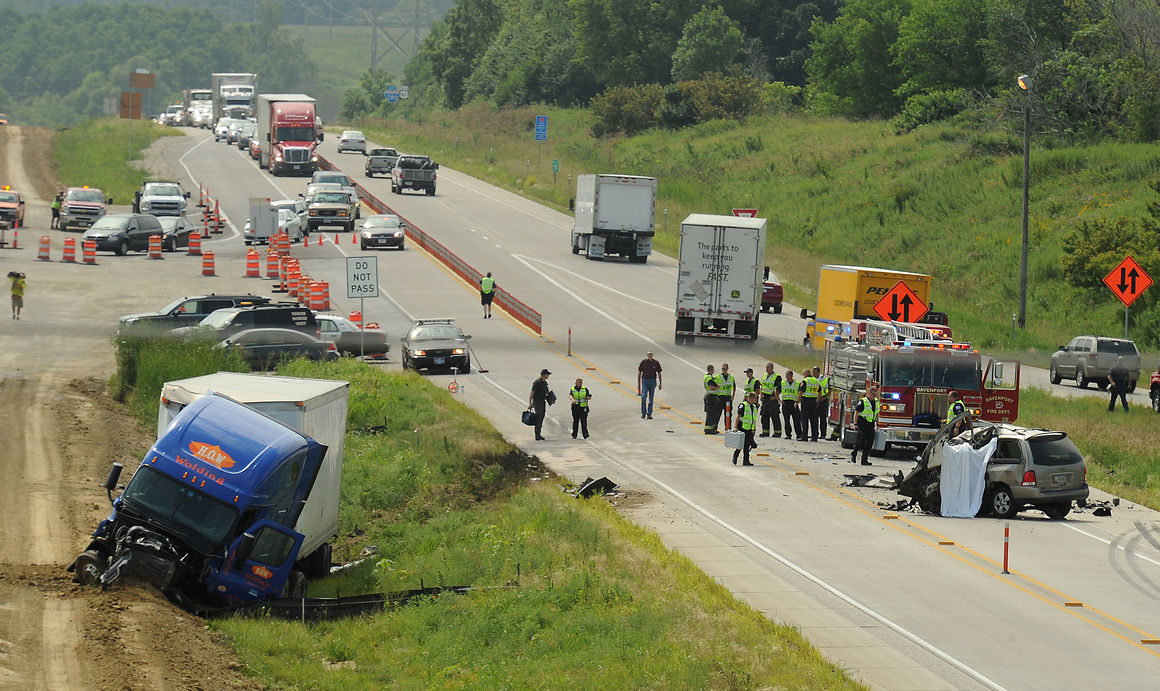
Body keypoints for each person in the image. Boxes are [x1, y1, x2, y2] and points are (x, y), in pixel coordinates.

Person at [852, 387, 879, 466]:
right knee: (860, 441)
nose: (874, 396)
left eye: (875, 394)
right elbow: (856, 413)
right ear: (869, 393)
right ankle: (854, 453)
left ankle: (864, 459)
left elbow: (876, 414)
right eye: (873, 394)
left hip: (870, 423)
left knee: (869, 442)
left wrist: (877, 424)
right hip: (862, 422)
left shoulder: (876, 401)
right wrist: (855, 424)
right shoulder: (863, 401)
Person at [732, 391, 760, 466]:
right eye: (755, 398)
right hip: (742, 428)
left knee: (747, 446)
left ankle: (746, 461)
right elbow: (738, 417)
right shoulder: (743, 405)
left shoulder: (754, 407)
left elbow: (753, 419)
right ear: (751, 398)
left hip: (749, 429)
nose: (756, 400)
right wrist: (735, 426)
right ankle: (735, 456)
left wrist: (754, 429)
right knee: (740, 445)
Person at [759, 362, 782, 438]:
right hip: (765, 399)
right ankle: (765, 432)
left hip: (772, 399)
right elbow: (762, 385)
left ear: (772, 368)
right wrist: (761, 394)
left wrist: (775, 397)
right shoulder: (765, 376)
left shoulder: (777, 377)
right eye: (766, 368)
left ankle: (777, 432)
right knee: (764, 416)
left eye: (768, 368)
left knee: (774, 416)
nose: (766, 369)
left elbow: (779, 388)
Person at [637, 350, 663, 419]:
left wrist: (660, 383)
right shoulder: (643, 362)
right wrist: (638, 383)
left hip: (653, 381)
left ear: (653, 355)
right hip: (645, 381)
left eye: (651, 354)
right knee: (643, 396)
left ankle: (649, 414)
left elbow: (659, 373)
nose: (650, 356)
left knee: (651, 399)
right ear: (647, 355)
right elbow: (639, 372)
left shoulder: (656, 363)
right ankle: (643, 412)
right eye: (649, 354)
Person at [528, 368, 552, 440]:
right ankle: (537, 435)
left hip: (542, 402)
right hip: (537, 402)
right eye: (547, 374)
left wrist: (551, 399)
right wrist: (530, 403)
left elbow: (546, 393)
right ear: (544, 375)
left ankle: (538, 434)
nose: (548, 376)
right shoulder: (537, 382)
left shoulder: (544, 382)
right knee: (539, 417)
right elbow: (532, 392)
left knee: (542, 417)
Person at [799, 367, 820, 442]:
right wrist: (818, 400)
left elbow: (801, 392)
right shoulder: (816, 381)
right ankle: (814, 437)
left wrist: (797, 402)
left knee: (804, 419)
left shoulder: (805, 381)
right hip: (813, 401)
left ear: (805, 374)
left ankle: (804, 436)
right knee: (813, 420)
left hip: (806, 401)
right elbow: (820, 392)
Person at [780, 369, 801, 441]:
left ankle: (799, 435)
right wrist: (779, 400)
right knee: (786, 420)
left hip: (794, 404)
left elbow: (801, 393)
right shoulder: (783, 383)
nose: (786, 377)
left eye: (787, 375)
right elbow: (776, 391)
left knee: (797, 420)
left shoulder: (797, 383)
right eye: (786, 375)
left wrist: (798, 401)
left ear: (791, 375)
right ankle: (788, 434)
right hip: (785, 403)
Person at [703, 364, 722, 434]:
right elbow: (711, 387)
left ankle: (710, 428)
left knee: (710, 413)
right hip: (711, 397)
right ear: (711, 369)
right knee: (711, 414)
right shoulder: (709, 378)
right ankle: (709, 429)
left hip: (709, 396)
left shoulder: (707, 376)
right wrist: (717, 387)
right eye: (713, 369)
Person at [716, 363, 736, 429]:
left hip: (728, 398)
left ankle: (728, 427)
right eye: (722, 369)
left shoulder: (731, 377)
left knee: (728, 414)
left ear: (727, 369)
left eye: (724, 369)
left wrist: (733, 396)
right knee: (718, 413)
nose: (723, 370)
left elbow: (734, 386)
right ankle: (715, 427)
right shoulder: (718, 377)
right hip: (720, 397)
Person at [814, 366, 831, 440]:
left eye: (814, 372)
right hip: (815, 400)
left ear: (818, 372)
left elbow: (829, 390)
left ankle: (823, 434)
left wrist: (824, 398)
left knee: (823, 418)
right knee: (815, 418)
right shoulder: (813, 379)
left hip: (823, 401)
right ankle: (815, 433)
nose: (813, 373)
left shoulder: (824, 379)